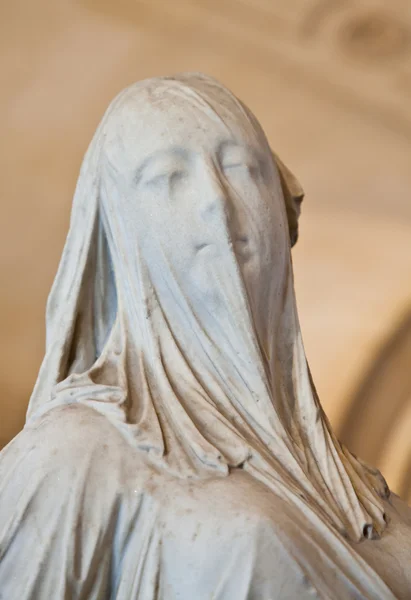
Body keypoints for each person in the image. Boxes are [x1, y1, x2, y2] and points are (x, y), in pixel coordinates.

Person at [0, 73, 410, 599]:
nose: (217, 200)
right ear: (121, 237)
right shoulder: (74, 453)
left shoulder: (376, 500)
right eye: (168, 177)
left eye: (240, 168)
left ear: (281, 209)